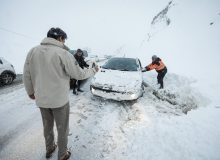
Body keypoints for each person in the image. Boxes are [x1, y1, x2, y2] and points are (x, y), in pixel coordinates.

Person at [23, 27, 99, 160]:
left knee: (47, 126)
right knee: (62, 128)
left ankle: (50, 147)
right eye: (64, 39)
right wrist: (93, 70)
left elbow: (27, 74)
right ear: (60, 38)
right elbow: (79, 74)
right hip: (59, 101)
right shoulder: (63, 54)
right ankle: (62, 154)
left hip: (42, 99)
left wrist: (30, 91)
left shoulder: (32, 51)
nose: (64, 42)